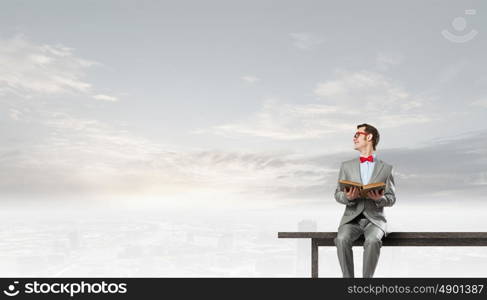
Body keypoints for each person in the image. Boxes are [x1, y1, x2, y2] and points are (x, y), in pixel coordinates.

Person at [334, 123, 396, 278]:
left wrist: (380, 199)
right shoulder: (346, 166)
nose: (354, 137)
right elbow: (337, 194)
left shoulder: (386, 168)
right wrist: (348, 197)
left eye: (357, 134)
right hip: (351, 219)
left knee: (373, 241)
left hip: (375, 220)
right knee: (341, 239)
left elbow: (391, 198)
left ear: (369, 137)